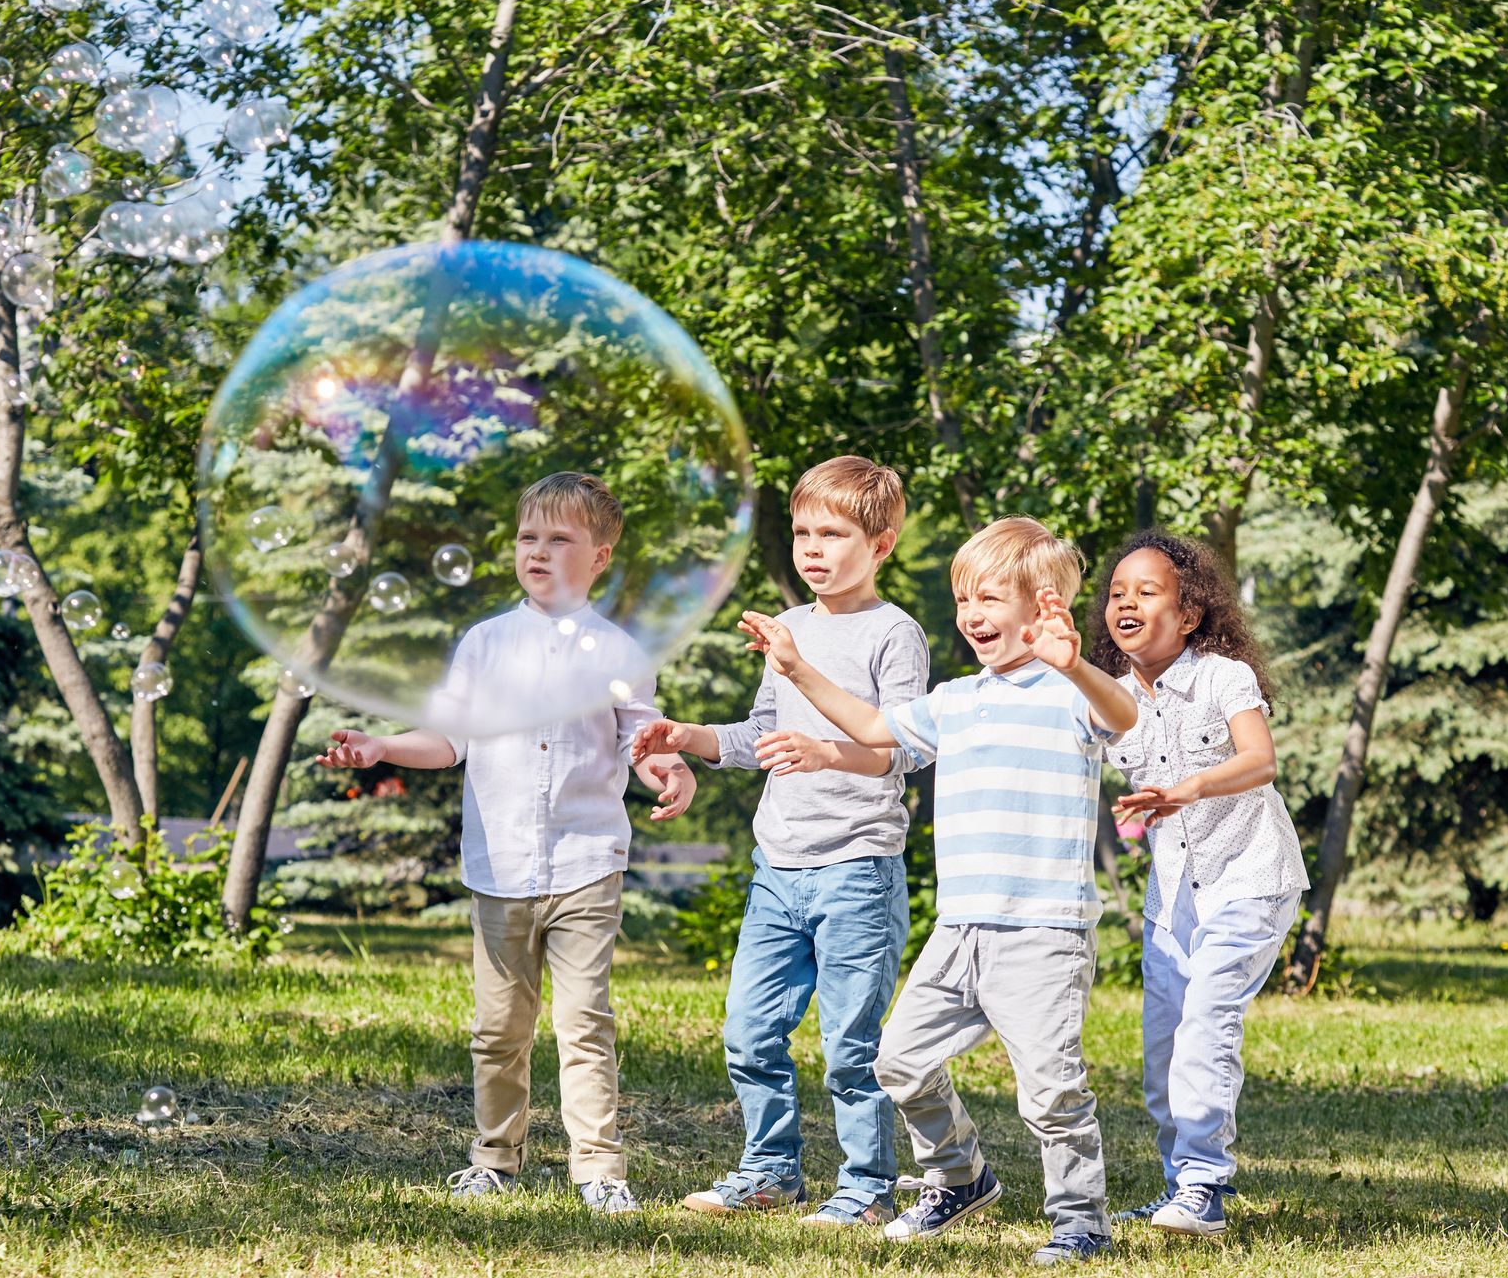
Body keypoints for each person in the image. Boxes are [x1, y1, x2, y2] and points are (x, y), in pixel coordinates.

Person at [737, 515, 1138, 1267]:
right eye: (963, 600)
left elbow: (1124, 716)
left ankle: (1080, 1220)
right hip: (959, 931)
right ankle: (960, 1178)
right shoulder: (958, 699)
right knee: (897, 1060)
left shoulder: (1070, 693)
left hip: (1041, 932)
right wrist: (796, 671)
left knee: (1051, 1091)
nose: (972, 616)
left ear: (1043, 606)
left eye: (989, 599)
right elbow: (872, 726)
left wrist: (1076, 665)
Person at [314, 472, 696, 1216]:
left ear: (600, 557)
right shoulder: (484, 645)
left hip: (588, 861)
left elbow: (642, 739)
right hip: (502, 865)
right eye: (529, 538)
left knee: (584, 1021)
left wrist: (668, 768)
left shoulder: (620, 652)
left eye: (561, 540)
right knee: (499, 1028)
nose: (540, 552)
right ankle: (495, 1156)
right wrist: (382, 745)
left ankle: (598, 1169)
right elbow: (449, 739)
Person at [631, 456, 928, 1227]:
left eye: (833, 533)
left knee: (850, 1046)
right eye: (803, 533)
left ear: (883, 544)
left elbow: (907, 747)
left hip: (857, 870)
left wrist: (829, 752)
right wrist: (690, 735)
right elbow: (764, 733)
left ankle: (866, 1186)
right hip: (779, 870)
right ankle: (771, 1171)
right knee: (748, 1034)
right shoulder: (789, 627)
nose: (814, 549)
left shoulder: (894, 633)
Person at [1091, 530, 1308, 1238]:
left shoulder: (1223, 678)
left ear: (1188, 615)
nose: (1126, 602)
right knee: (1164, 1051)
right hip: (1173, 898)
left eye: (1146, 592)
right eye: (1118, 593)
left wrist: (1187, 790)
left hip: (1250, 876)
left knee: (1206, 1028)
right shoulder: (1111, 699)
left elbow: (1260, 760)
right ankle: (1182, 1184)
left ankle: (1205, 1186)